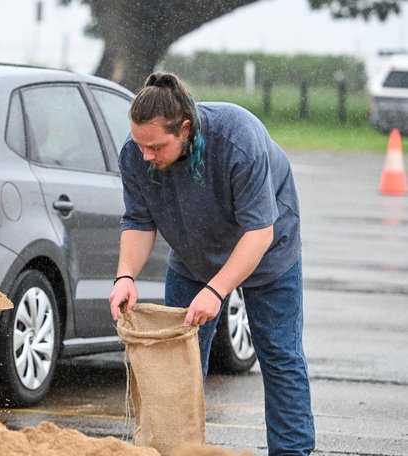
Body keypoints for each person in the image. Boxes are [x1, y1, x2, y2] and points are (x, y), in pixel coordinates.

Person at [109, 72, 314, 455]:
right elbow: (138, 221)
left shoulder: (238, 139)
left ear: (185, 128)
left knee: (280, 355)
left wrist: (217, 291)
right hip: (193, 254)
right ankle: (177, 449)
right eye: (140, 145)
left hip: (268, 250)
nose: (145, 156)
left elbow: (259, 233)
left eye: (155, 146)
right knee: (177, 360)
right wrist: (125, 276)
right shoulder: (136, 153)